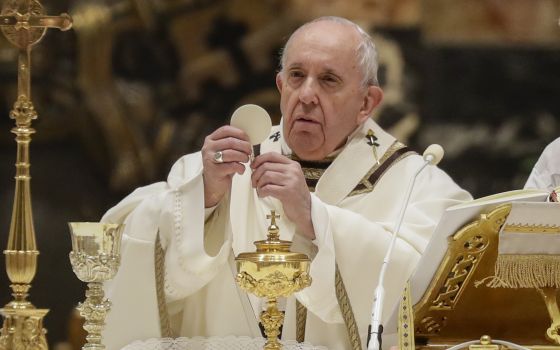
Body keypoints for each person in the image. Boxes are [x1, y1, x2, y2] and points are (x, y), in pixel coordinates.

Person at [102, 16, 471, 350]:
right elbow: (131, 241)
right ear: (281, 85)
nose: (307, 95)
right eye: (296, 76)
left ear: (367, 102)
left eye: (329, 80)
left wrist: (315, 218)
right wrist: (204, 199)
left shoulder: (414, 182)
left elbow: (429, 290)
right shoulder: (222, 168)